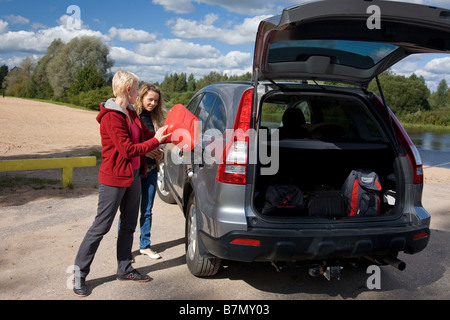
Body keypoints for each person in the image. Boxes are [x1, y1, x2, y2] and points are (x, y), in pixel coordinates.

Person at [73, 70, 170, 297]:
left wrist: (164, 137)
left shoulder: (129, 112)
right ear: (129, 90)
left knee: (128, 225)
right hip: (114, 180)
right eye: (137, 88)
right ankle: (79, 273)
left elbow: (145, 136)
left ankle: (124, 269)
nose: (139, 92)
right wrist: (155, 141)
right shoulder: (111, 116)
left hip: (134, 176)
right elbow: (127, 149)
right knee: (101, 227)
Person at [134, 84, 165, 260]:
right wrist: (145, 150)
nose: (152, 103)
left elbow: (156, 142)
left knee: (147, 210)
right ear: (141, 97)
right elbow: (130, 146)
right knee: (129, 211)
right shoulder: (133, 116)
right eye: (150, 99)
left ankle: (144, 245)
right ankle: (124, 249)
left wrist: (159, 154)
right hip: (135, 170)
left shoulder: (155, 119)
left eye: (156, 100)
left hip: (151, 170)